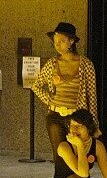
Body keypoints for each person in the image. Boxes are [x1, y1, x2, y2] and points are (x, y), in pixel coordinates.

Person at [32, 22, 99, 160]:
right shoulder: (52, 64)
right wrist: (50, 100)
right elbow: (36, 85)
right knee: (60, 157)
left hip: (76, 117)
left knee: (79, 155)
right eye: (55, 41)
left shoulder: (86, 64)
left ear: (72, 41)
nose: (58, 45)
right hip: (55, 115)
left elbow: (92, 96)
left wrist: (94, 124)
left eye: (62, 41)